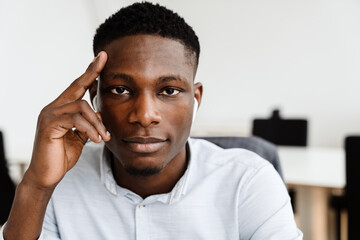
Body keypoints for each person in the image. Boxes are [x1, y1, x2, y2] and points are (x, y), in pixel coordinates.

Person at [2, 2, 302, 239]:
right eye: (121, 90)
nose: (145, 115)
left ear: (195, 99)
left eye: (169, 90)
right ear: (95, 98)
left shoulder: (247, 182)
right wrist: (36, 186)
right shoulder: (59, 183)